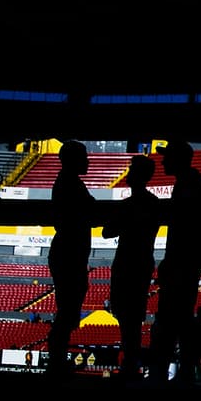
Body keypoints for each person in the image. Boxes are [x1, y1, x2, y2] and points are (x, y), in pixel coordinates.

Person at [147, 139, 201, 386]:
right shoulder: (189, 181)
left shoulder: (189, 183)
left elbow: (184, 228)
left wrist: (171, 261)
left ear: (178, 159)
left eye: (167, 156)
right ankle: (182, 372)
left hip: (182, 262)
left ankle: (173, 372)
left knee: (175, 318)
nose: (163, 161)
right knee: (179, 318)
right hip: (185, 261)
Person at [102, 153, 162, 383]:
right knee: (134, 319)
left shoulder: (127, 205)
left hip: (127, 263)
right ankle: (131, 364)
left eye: (131, 170)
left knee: (126, 318)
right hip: (143, 262)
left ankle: (129, 365)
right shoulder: (154, 204)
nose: (127, 174)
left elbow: (107, 231)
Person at [47, 140, 98, 379]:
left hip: (69, 253)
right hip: (69, 254)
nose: (88, 161)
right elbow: (92, 211)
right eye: (84, 157)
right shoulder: (70, 184)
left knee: (67, 312)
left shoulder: (68, 182)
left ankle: (56, 360)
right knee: (67, 312)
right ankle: (56, 362)